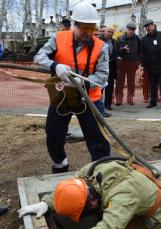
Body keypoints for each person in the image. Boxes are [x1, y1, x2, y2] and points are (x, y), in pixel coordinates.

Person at [19, 158, 161, 229]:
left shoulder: (122, 195)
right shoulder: (91, 174)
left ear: (90, 202)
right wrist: (46, 203)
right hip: (137, 205)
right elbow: (71, 183)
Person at [33, 1, 110, 173]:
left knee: (98, 140)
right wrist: (55, 67)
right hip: (62, 97)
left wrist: (82, 82)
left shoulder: (101, 47)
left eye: (92, 28)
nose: (89, 33)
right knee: (53, 134)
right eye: (85, 28)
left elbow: (102, 76)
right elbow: (39, 57)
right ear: (75, 25)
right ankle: (60, 163)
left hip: (89, 98)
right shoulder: (59, 38)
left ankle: (102, 172)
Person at [116, 22, 141, 105]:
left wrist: (138, 61)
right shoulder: (120, 38)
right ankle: (119, 98)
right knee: (120, 82)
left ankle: (130, 98)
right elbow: (116, 51)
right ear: (127, 29)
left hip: (132, 63)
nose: (131, 31)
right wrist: (122, 49)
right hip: (122, 63)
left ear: (135, 30)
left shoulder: (138, 39)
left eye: (133, 30)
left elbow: (141, 51)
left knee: (131, 82)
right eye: (129, 29)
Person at [101, 27, 118, 112]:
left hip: (111, 67)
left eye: (112, 32)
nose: (110, 33)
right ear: (105, 32)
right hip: (100, 67)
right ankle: (98, 104)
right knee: (99, 87)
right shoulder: (99, 40)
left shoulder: (115, 42)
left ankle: (108, 105)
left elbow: (117, 52)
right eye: (109, 32)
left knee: (110, 87)